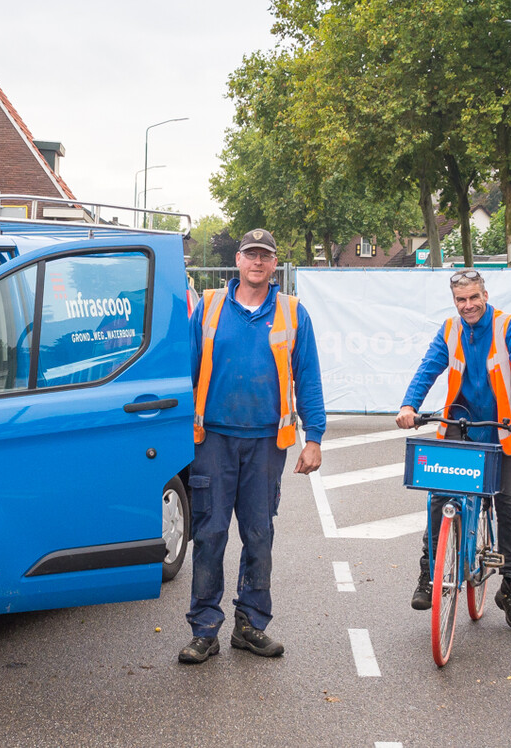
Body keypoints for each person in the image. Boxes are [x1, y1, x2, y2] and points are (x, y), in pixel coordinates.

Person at [179, 228, 326, 664]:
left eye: (265, 256)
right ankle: (204, 629)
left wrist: (313, 437)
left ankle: (250, 624)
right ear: (238, 261)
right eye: (250, 255)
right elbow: (185, 373)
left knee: (259, 535)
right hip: (213, 442)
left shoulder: (293, 313)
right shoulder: (208, 308)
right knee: (209, 534)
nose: (257, 263)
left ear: (274, 263)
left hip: (265, 443)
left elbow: (309, 380)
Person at [394, 269, 511, 631]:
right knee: (439, 494)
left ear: (485, 295)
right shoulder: (449, 329)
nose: (468, 305)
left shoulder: (509, 327)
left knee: (507, 506)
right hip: (460, 425)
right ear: (454, 301)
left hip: (503, 429)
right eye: (461, 300)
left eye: (474, 298)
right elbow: (429, 368)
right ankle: (430, 572)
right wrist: (408, 405)